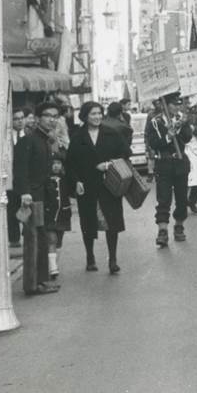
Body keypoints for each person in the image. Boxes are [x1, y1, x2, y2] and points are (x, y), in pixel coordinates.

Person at [65, 102, 131, 274]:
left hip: (109, 184)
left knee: (112, 221)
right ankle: (90, 256)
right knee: (88, 222)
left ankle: (113, 259)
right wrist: (76, 181)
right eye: (93, 114)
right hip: (87, 185)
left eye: (99, 113)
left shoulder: (112, 133)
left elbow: (125, 153)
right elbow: (70, 163)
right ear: (86, 116)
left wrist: (109, 164)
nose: (97, 117)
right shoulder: (78, 137)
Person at [12, 101, 60, 295]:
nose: (52, 119)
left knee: (41, 238)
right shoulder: (28, 140)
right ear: (38, 118)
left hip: (42, 196)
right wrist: (24, 193)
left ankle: (41, 281)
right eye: (48, 115)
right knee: (33, 240)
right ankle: (32, 284)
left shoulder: (45, 140)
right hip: (32, 198)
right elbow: (20, 170)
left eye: (55, 116)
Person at [145, 92, 193, 247]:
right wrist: (168, 136)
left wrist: (183, 125)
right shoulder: (155, 121)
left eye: (179, 104)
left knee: (181, 198)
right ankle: (163, 230)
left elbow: (187, 138)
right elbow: (153, 143)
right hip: (163, 163)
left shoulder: (181, 119)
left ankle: (179, 225)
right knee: (163, 198)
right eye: (173, 104)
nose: (177, 107)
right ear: (165, 104)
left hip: (180, 162)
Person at [7, 106, 32, 248]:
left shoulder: (30, 135)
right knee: (12, 210)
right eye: (15, 119)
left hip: (27, 179)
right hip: (11, 178)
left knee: (27, 209)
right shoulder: (5, 137)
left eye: (21, 118)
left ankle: (28, 237)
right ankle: (14, 240)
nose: (19, 121)